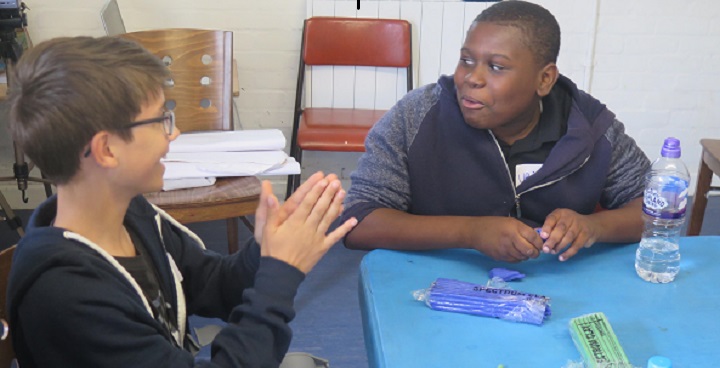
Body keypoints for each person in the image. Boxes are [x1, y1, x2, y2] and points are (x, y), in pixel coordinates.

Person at [5, 36, 356, 367]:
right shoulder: (67, 295)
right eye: (161, 120)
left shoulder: (131, 214)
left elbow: (212, 285)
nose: (173, 132)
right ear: (106, 149)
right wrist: (281, 275)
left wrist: (265, 251)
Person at [340, 0, 650, 263]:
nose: (472, 78)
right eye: (466, 60)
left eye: (496, 67)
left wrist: (592, 227)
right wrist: (470, 232)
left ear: (544, 80)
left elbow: (656, 207)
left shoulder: (589, 126)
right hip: (435, 284)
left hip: (558, 284)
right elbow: (358, 221)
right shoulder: (417, 117)